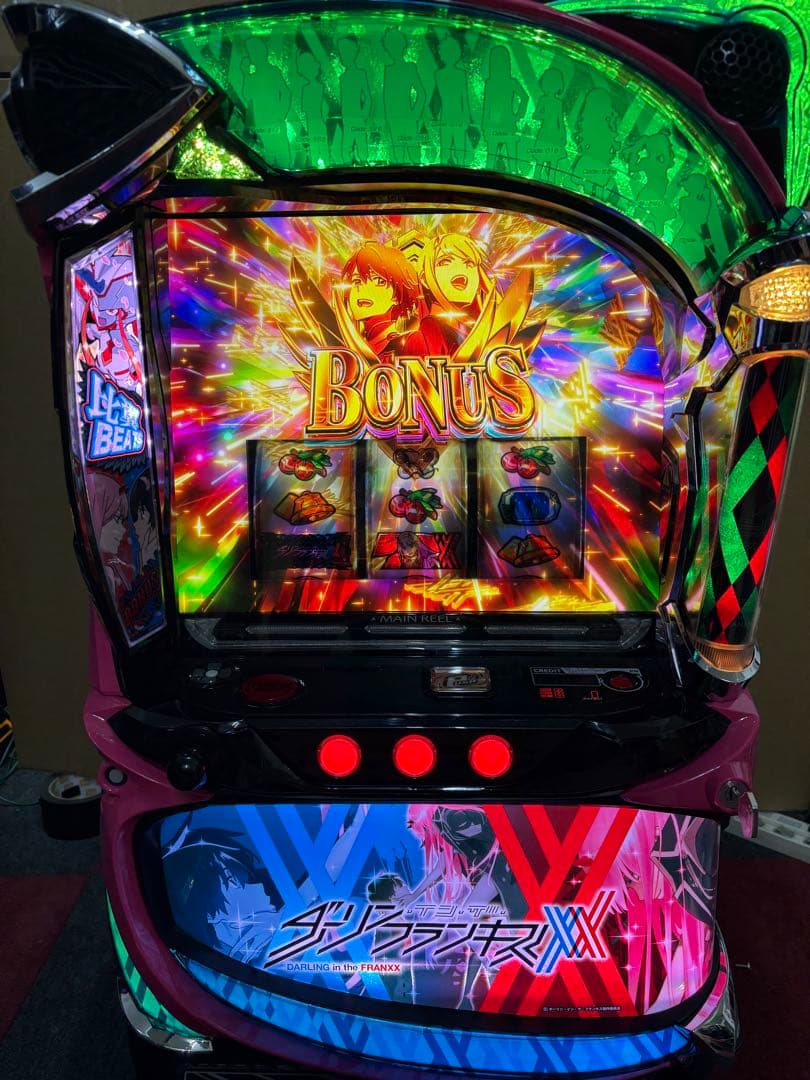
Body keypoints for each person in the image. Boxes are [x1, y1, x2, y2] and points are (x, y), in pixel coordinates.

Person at [334, 241, 421, 359]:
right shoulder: (349, 343)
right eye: (357, 281)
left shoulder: (409, 343)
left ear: (398, 294)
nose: (363, 289)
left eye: (379, 281)